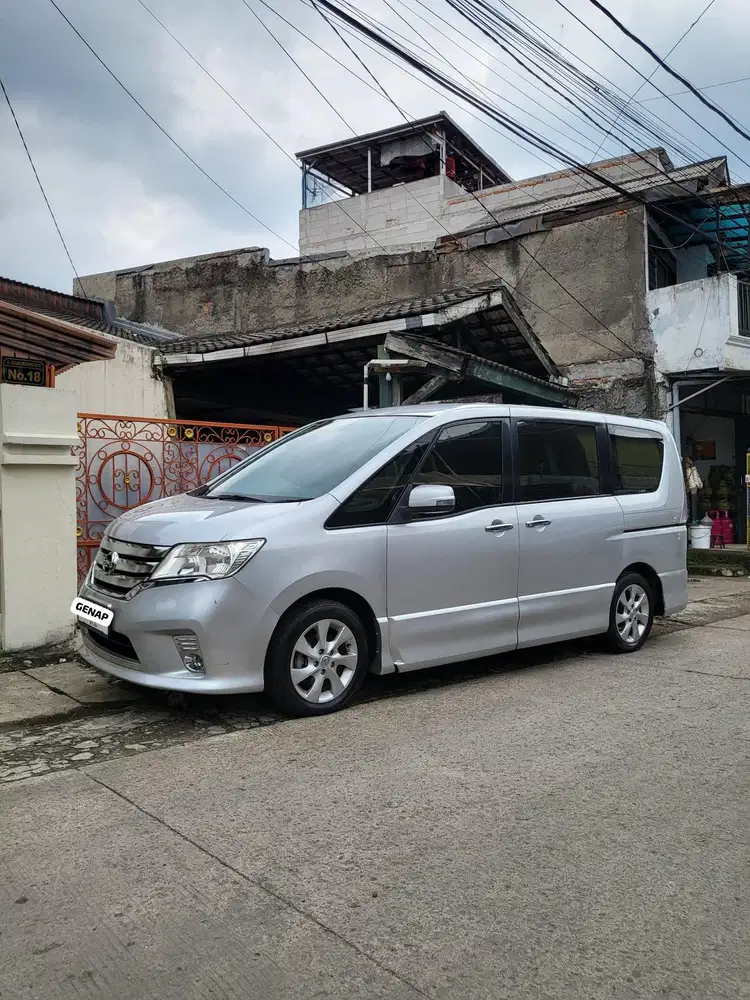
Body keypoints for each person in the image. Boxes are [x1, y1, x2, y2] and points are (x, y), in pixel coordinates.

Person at [684, 456, 702, 523]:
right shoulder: (687, 470)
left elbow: (695, 485)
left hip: (688, 492)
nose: (688, 464)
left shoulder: (691, 470)